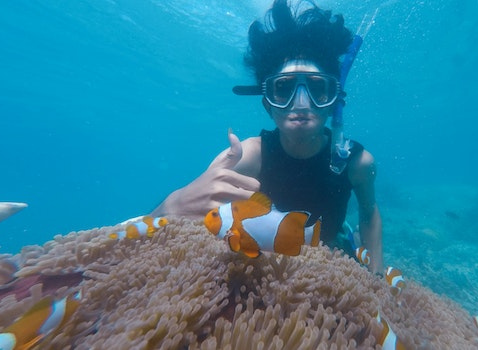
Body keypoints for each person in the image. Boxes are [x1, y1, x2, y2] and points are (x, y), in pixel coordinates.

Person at [151, 0, 384, 275]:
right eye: (283, 89)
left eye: (317, 88)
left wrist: (377, 275)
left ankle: (347, 235)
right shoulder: (246, 157)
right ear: (267, 105)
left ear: (333, 102)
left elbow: (369, 214)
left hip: (331, 247)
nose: (301, 103)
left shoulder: (357, 163)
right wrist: (171, 205)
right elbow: (193, 215)